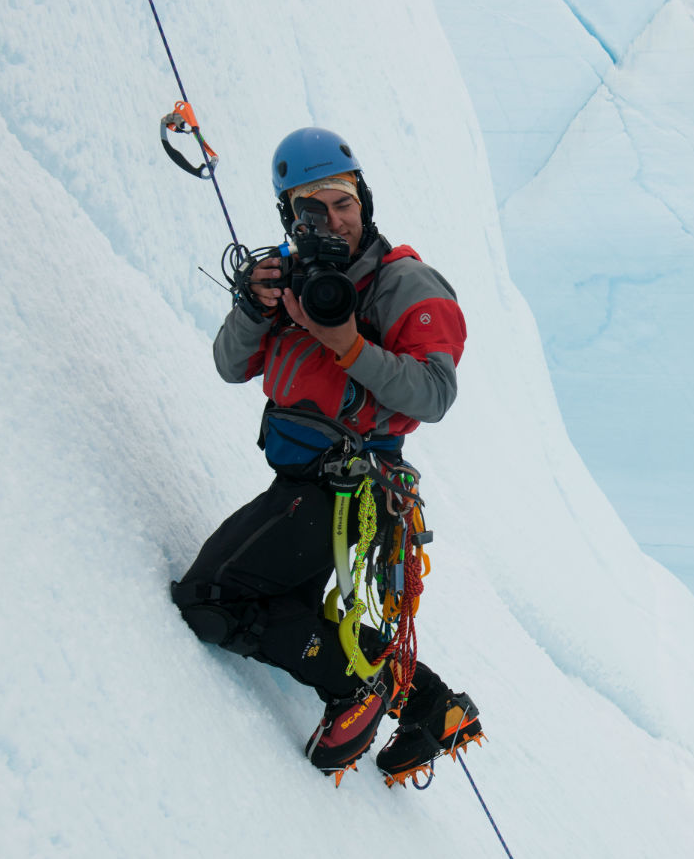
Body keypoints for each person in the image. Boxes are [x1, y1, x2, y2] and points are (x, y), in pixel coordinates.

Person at [171, 127, 483, 784]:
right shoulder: (287, 279)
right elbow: (231, 365)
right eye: (310, 208)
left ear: (363, 200)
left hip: (346, 489)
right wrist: (253, 306)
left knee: (212, 596)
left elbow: (433, 393)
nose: (332, 220)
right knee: (293, 607)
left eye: (342, 201)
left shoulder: (403, 282)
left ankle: (354, 687)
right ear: (289, 216)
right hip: (312, 484)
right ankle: (431, 705)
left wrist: (346, 341)